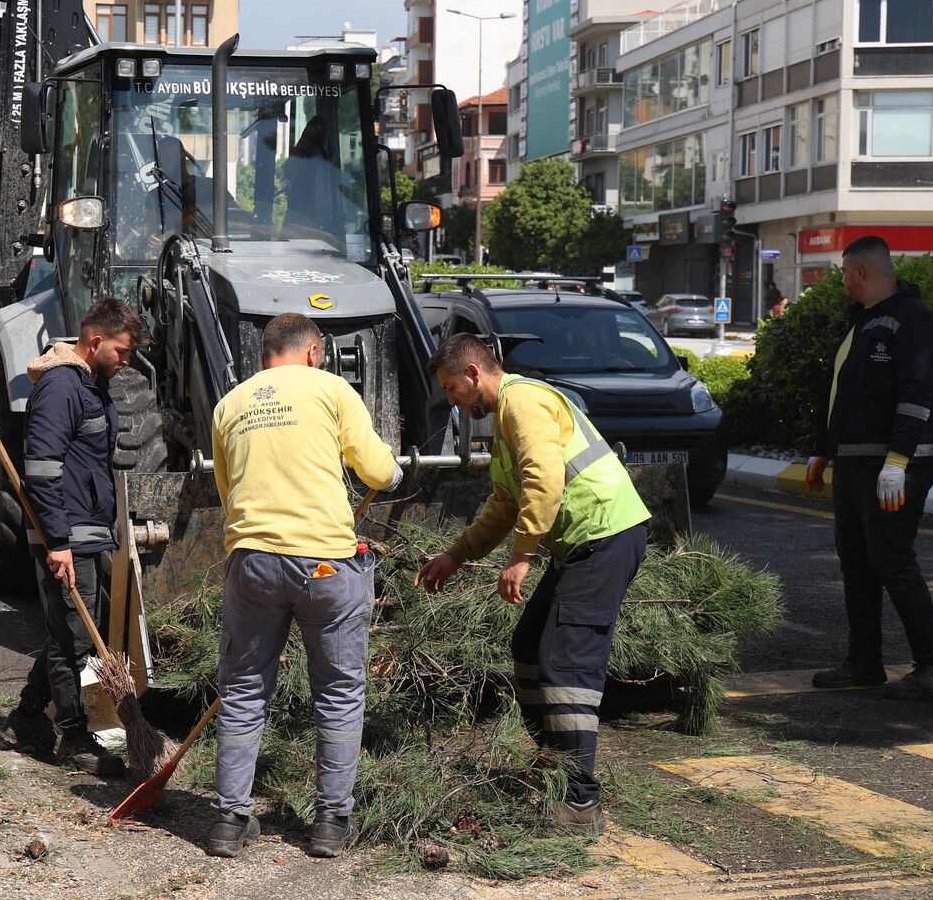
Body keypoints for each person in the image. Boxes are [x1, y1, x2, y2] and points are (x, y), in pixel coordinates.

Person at [415, 334, 652, 837]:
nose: (452, 401)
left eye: (452, 388)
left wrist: (522, 557)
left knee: (567, 662)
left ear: (475, 373)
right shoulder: (503, 424)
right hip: (584, 543)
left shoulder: (522, 402)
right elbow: (504, 505)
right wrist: (454, 556)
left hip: (605, 535)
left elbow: (544, 479)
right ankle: (554, 764)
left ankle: (579, 801)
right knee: (528, 645)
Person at [204, 313, 400, 859]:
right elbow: (380, 473)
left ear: (266, 355)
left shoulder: (230, 404)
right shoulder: (332, 390)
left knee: (243, 690)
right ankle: (331, 824)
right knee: (338, 693)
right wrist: (396, 475)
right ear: (314, 353)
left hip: (252, 563)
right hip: (324, 566)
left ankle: (227, 822)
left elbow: (228, 493)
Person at [0, 297, 147, 775]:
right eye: (122, 352)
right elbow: (42, 470)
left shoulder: (91, 384)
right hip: (63, 534)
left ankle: (26, 718)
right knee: (71, 638)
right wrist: (58, 541)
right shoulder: (62, 387)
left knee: (72, 630)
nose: (126, 362)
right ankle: (73, 737)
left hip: (84, 530)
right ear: (95, 340)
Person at [804, 235, 933, 700]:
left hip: (895, 465)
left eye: (845, 272)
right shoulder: (863, 323)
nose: (843, 281)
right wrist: (823, 448)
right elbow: (839, 393)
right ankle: (863, 663)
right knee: (857, 564)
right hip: (856, 461)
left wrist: (897, 461)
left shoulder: (912, 322)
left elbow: (917, 396)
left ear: (861, 271)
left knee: (892, 561)